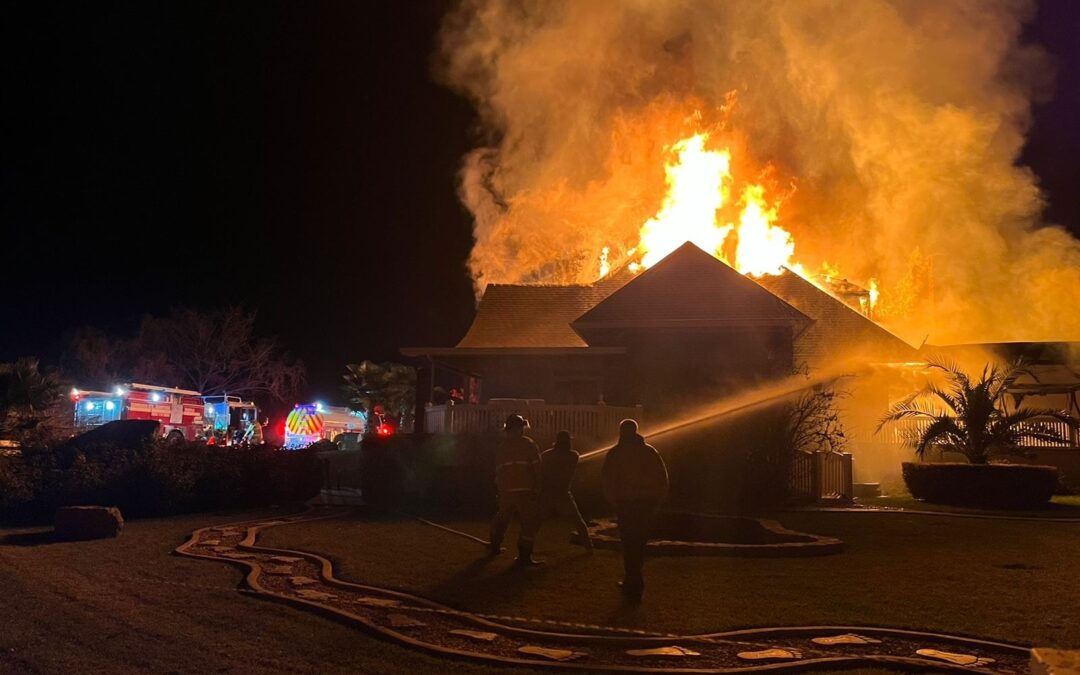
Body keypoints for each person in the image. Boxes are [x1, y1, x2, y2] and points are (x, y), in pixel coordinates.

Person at [600, 418, 668, 601]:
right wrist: (656, 501)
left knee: (629, 543)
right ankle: (634, 580)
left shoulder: (615, 453)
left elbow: (607, 480)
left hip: (626, 504)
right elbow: (662, 478)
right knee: (639, 543)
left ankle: (633, 582)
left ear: (621, 432)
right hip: (646, 504)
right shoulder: (649, 452)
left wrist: (613, 500)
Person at [489, 414, 544, 566]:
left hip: (506, 492)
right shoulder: (529, 444)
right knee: (529, 523)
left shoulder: (503, 447)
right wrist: (538, 488)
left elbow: (498, 472)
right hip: (525, 491)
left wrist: (500, 491)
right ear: (520, 429)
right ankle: (524, 557)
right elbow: (538, 469)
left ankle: (494, 547)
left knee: (501, 519)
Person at [539, 430, 592, 552]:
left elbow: (541, 472)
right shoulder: (573, 456)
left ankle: (526, 548)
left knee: (536, 521)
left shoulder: (546, 455)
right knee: (578, 521)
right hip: (563, 493)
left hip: (548, 492)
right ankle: (589, 547)